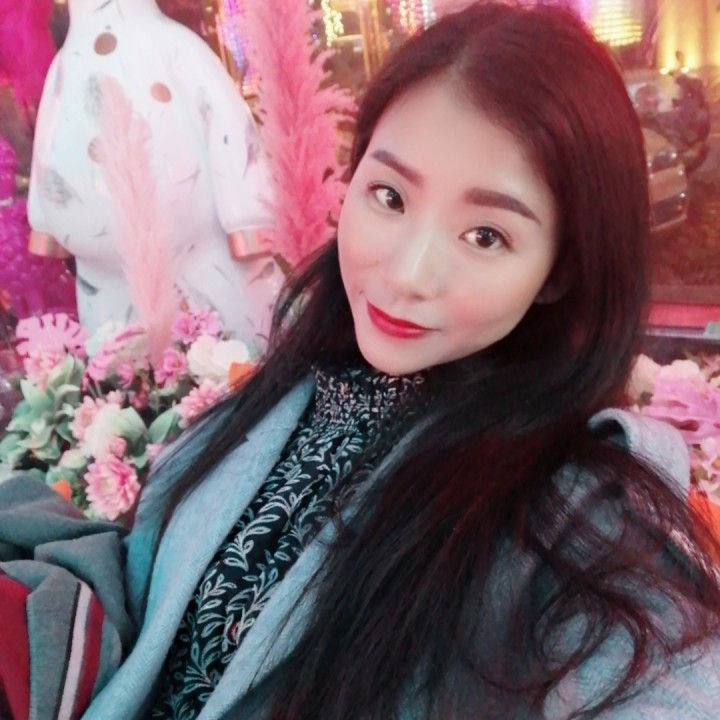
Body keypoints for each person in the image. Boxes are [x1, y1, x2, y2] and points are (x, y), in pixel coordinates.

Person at [2, 3, 720, 719]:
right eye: (390, 196)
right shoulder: (292, 392)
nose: (409, 273)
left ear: (559, 271)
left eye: (486, 236)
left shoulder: (574, 513)